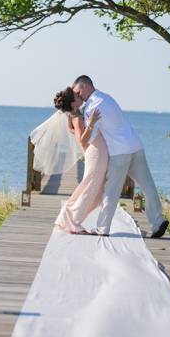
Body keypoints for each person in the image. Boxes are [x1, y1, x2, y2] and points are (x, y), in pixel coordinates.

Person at [72, 75, 169, 238]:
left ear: (86, 87)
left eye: (78, 92)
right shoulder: (107, 98)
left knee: (111, 190)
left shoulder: (92, 108)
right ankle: (158, 222)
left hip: (119, 152)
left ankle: (103, 228)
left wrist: (79, 127)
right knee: (148, 187)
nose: (78, 96)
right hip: (135, 145)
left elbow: (88, 140)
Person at [52, 87, 105, 234]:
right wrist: (91, 125)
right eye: (77, 96)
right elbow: (82, 141)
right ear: (74, 104)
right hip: (95, 153)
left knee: (93, 188)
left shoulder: (74, 115)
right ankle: (74, 221)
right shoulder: (76, 116)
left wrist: (83, 127)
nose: (80, 96)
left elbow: (72, 130)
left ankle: (68, 217)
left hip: (95, 152)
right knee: (91, 189)